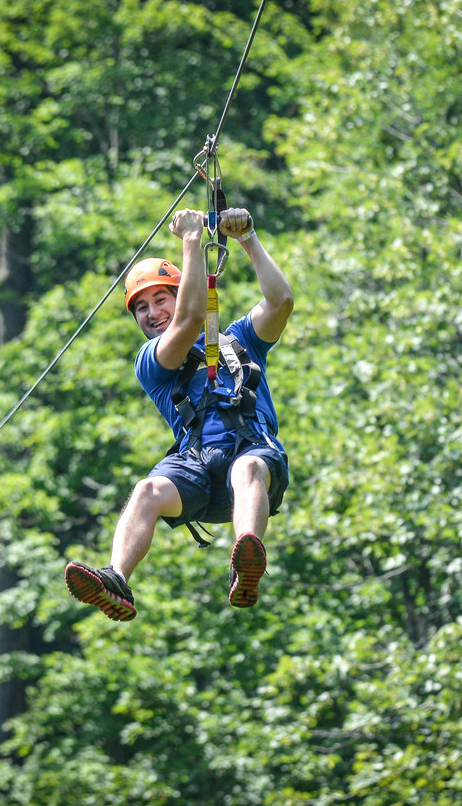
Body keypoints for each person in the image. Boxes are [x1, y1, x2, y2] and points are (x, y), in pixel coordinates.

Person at [65, 207, 293, 621]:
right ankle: (116, 579)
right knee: (146, 490)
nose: (152, 313)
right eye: (142, 308)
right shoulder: (152, 361)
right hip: (196, 469)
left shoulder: (239, 340)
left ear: (180, 291)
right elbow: (188, 320)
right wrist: (192, 240)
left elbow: (281, 301)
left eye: (160, 299)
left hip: (251, 458)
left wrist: (248, 239)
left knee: (248, 469)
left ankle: (246, 562)